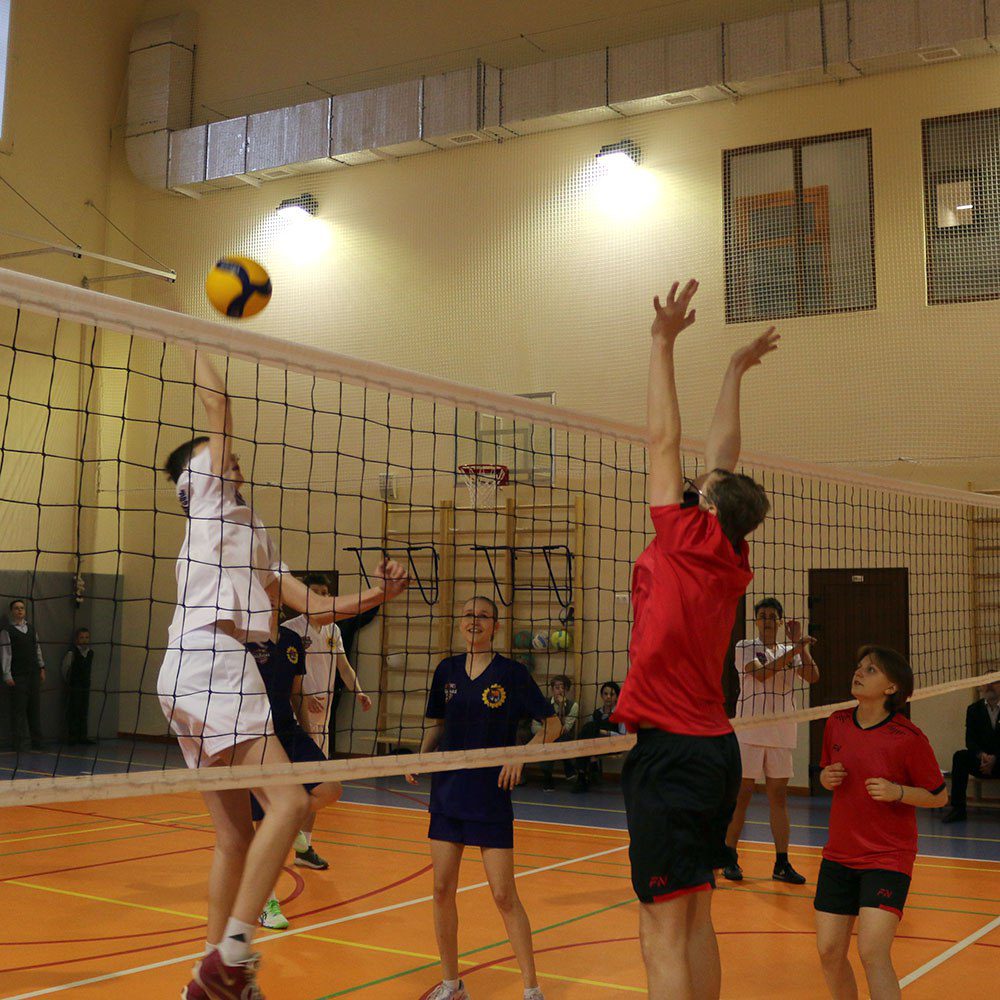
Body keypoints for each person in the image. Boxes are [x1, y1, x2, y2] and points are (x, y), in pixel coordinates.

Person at [157, 351, 408, 999]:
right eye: (223, 457)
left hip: (184, 672)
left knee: (234, 835)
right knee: (292, 803)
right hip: (216, 661)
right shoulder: (207, 498)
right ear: (198, 473)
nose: (235, 462)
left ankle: (207, 977)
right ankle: (232, 959)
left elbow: (311, 606)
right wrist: (191, 337)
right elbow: (219, 407)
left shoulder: (250, 530)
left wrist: (376, 596)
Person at [611, 279, 778, 1000]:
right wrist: (735, 370)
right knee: (699, 915)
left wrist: (661, 343)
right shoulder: (732, 556)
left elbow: (664, 440)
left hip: (671, 756)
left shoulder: (682, 534)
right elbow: (722, 457)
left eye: (703, 485)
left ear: (705, 505)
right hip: (715, 753)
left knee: (662, 930)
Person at [407, 595, 561, 1000]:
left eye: (483, 616)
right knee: (442, 889)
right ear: (460, 621)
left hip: (489, 794)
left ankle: (532, 990)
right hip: (447, 791)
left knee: (504, 894)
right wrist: (421, 757)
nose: (474, 620)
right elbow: (438, 725)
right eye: (468, 614)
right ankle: (451, 985)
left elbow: (553, 724)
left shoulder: (512, 673)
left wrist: (521, 755)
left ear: (496, 625)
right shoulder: (446, 670)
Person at [815, 646, 947, 1000]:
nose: (859, 672)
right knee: (829, 952)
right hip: (839, 855)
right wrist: (826, 778)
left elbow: (939, 796)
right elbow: (826, 773)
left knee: (872, 951)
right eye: (859, 667)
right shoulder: (837, 723)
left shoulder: (909, 739)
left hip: (887, 858)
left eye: (871, 670)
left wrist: (898, 792)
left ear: (892, 688)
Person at [246, 622, 345, 931]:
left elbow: (296, 693)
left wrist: (308, 734)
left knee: (330, 788)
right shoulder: (243, 636)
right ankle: (265, 901)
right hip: (254, 735)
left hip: (289, 730)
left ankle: (289, 820)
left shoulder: (291, 640)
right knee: (264, 825)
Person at [723, 597, 820, 884]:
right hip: (749, 732)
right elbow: (762, 675)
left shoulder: (791, 649)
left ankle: (781, 863)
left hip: (781, 732)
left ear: (780, 622)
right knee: (742, 796)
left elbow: (812, 676)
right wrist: (796, 649)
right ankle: (728, 857)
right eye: (762, 616)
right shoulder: (744, 646)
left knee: (778, 798)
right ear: (756, 621)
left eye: (772, 616)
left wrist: (800, 646)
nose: (767, 620)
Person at [282, 573, 374, 871]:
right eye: (315, 592)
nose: (321, 597)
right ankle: (280, 829)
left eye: (325, 593)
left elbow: (344, 667)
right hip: (296, 719)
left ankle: (303, 847)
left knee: (318, 786)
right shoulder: (290, 630)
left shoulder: (334, 629)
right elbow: (285, 678)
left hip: (323, 720)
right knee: (295, 783)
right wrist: (302, 698)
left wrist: (359, 691)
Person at [942, 679, 1000, 823]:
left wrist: (995, 758)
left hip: (999, 761)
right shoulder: (974, 709)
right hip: (981, 761)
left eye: (994, 681)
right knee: (960, 757)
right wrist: (981, 755)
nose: (989, 685)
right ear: (980, 687)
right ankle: (958, 810)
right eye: (985, 682)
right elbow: (970, 741)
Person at [1, 598, 47, 752]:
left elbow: (37, 649)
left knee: (34, 709)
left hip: (33, 674)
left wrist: (41, 667)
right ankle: (19, 744)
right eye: (16, 608)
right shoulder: (7, 631)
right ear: (11, 611)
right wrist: (7, 674)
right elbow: (5, 653)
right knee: (19, 711)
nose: (20, 610)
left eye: (22, 608)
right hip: (18, 675)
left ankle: (37, 743)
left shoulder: (32, 629)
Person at [572, 679, 626, 793]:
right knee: (589, 728)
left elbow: (622, 737)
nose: (608, 697)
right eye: (605, 694)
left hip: (612, 745)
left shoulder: (620, 714)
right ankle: (590, 763)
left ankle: (582, 776)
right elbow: (587, 732)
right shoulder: (596, 713)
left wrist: (604, 732)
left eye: (612, 694)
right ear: (601, 695)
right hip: (594, 745)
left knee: (590, 730)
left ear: (617, 697)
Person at [533, 673, 578, 790]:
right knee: (547, 743)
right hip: (543, 735)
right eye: (557, 687)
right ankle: (568, 770)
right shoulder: (544, 703)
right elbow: (535, 725)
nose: (560, 691)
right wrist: (546, 733)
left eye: (563, 688)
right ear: (552, 689)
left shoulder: (573, 706)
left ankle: (547, 777)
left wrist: (562, 707)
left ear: (567, 690)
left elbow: (566, 728)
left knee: (557, 741)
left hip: (563, 737)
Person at [61, 626, 95, 745]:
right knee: (74, 711)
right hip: (75, 686)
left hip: (85, 686)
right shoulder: (72, 653)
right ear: (76, 639)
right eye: (82, 637)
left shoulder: (90, 653)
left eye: (87, 637)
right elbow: (65, 668)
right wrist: (69, 681)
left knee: (83, 711)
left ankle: (83, 736)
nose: (84, 640)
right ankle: (73, 737)